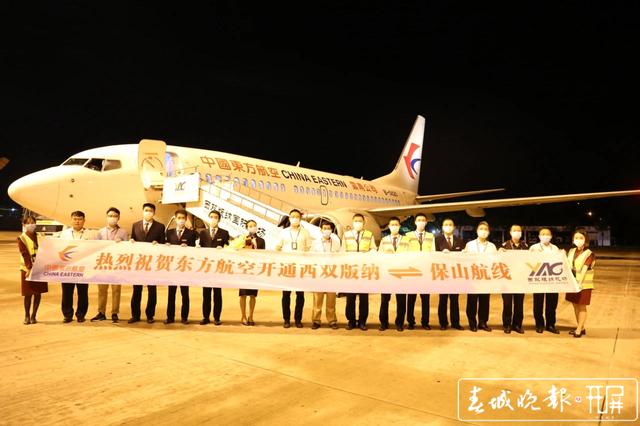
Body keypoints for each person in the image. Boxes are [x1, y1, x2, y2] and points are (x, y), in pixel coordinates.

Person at [129, 203, 166, 324]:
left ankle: (150, 315)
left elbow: (163, 244)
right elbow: (133, 240)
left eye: (150, 211)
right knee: (136, 290)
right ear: (142, 211)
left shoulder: (160, 227)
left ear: (154, 213)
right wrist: (131, 241)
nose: (148, 212)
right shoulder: (135, 225)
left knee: (152, 291)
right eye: (146, 210)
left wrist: (158, 244)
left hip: (152, 263)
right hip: (139, 263)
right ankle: (135, 315)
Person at [275, 209, 312, 328]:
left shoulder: (305, 232)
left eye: (296, 217)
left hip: (300, 268)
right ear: (289, 218)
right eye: (292, 216)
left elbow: (309, 248)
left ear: (300, 218)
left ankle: (298, 319)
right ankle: (286, 319)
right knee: (286, 295)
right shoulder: (284, 232)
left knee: (300, 295)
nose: (294, 219)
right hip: (287, 268)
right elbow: (277, 247)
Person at [91, 207, 128, 323]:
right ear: (107, 217)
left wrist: (121, 243)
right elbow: (96, 248)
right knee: (102, 290)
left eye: (115, 216)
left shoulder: (123, 232)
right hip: (103, 265)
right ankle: (101, 312)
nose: (112, 218)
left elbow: (127, 249)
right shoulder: (100, 232)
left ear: (118, 218)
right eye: (110, 216)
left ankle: (114, 313)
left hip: (117, 265)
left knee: (116, 290)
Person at [341, 213, 377, 331]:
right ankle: (351, 321)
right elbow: (342, 251)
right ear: (352, 222)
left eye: (360, 221)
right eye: (356, 221)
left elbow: (373, 249)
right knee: (350, 298)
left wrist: (368, 255)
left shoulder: (369, 235)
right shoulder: (346, 235)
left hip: (364, 270)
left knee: (364, 298)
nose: (358, 223)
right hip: (351, 270)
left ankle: (362, 321)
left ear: (363, 223)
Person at [378, 217, 411, 331]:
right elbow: (379, 256)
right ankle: (383, 323)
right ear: (389, 226)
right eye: (392, 224)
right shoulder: (384, 240)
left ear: (399, 226)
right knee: (384, 300)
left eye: (396, 224)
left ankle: (399, 323)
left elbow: (410, 255)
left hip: (401, 273)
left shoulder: (406, 240)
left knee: (401, 300)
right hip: (387, 274)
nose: (394, 226)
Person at [164, 209, 196, 325]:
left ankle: (184, 317)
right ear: (175, 219)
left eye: (183, 218)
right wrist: (166, 246)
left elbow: (194, 251)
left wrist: (188, 248)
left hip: (184, 268)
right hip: (172, 268)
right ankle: (170, 317)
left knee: (185, 294)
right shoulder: (169, 233)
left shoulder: (191, 233)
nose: (181, 220)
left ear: (186, 219)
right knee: (171, 294)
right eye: (179, 218)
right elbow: (163, 249)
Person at [464, 221, 497, 332]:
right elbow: (464, 260)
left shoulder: (492, 246)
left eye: (486, 229)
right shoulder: (470, 244)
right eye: (481, 229)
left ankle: (483, 322)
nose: (483, 231)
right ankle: (472, 323)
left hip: (486, 278)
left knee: (484, 302)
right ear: (477, 231)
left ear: (489, 232)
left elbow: (496, 261)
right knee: (472, 302)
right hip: (473, 278)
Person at [198, 210, 229, 325]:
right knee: (206, 294)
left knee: (217, 294)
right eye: (211, 217)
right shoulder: (203, 233)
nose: (213, 219)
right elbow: (200, 248)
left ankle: (217, 318)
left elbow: (229, 248)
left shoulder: (224, 233)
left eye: (215, 217)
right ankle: (205, 317)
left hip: (218, 268)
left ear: (219, 219)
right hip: (206, 268)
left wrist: (224, 249)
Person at [405, 213, 436, 330]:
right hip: (412, 271)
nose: (421, 222)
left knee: (425, 299)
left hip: (425, 271)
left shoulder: (431, 236)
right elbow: (406, 252)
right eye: (419, 220)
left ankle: (425, 322)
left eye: (423, 220)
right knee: (411, 298)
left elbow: (433, 252)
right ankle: (410, 321)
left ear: (426, 222)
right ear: (415, 222)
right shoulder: (408, 235)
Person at [59, 211, 91, 323]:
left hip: (83, 269)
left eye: (80, 219)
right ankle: (67, 315)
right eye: (75, 219)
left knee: (83, 293)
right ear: (71, 220)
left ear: (84, 220)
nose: (77, 221)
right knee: (67, 292)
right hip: (67, 268)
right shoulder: (64, 234)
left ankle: (81, 315)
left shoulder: (90, 234)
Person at [310, 222, 341, 330]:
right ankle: (316, 320)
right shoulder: (315, 243)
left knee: (331, 300)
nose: (326, 230)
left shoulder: (336, 243)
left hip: (332, 274)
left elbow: (341, 257)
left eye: (329, 228)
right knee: (317, 300)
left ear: (332, 230)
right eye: (324, 228)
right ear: (321, 230)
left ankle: (332, 320)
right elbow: (310, 258)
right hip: (319, 274)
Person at [435, 218, 465, 330]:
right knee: (443, 300)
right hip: (442, 274)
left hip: (455, 275)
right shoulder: (437, 240)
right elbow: (432, 256)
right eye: (446, 224)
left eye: (450, 224)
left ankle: (455, 323)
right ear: (442, 227)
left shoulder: (459, 240)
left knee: (454, 300)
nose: (448, 226)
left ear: (454, 227)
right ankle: (443, 323)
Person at [529, 227, 560, 334]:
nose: (545, 236)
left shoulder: (555, 248)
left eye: (547, 234)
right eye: (543, 234)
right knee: (538, 304)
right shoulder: (534, 248)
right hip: (539, 279)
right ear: (539, 236)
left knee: (552, 304)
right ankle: (539, 324)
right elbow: (529, 261)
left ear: (551, 236)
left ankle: (550, 324)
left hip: (552, 280)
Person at [18, 215, 48, 324]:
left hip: (39, 268)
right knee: (28, 293)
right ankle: (27, 315)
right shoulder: (21, 238)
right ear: (24, 225)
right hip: (27, 269)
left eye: (32, 222)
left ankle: (34, 315)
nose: (31, 224)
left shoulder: (40, 236)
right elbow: (24, 254)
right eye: (28, 223)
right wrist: (29, 268)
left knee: (38, 293)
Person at [566, 229, 595, 338]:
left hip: (583, 285)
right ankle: (581, 327)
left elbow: (584, 269)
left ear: (585, 240)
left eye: (581, 238)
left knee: (582, 307)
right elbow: (567, 264)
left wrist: (579, 283)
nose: (578, 240)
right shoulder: (571, 251)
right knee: (575, 305)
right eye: (576, 238)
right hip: (572, 283)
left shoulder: (589, 254)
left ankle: (578, 329)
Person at [499, 224, 528, 334]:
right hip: (507, 280)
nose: (517, 232)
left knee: (519, 304)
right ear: (510, 232)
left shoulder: (525, 246)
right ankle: (507, 325)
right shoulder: (504, 245)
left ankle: (517, 325)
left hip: (520, 280)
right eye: (514, 230)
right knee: (507, 304)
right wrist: (499, 253)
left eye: (519, 230)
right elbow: (498, 261)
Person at [238, 220, 264, 326]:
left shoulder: (261, 240)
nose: (252, 227)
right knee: (243, 295)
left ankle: (251, 316)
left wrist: (255, 246)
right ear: (246, 227)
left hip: (255, 270)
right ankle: (243, 316)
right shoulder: (242, 238)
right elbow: (237, 252)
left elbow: (263, 255)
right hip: (244, 269)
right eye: (250, 226)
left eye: (254, 225)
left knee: (253, 295)